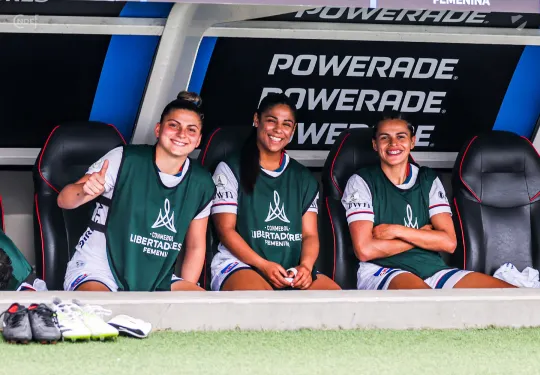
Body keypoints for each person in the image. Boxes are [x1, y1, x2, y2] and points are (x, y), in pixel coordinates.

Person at [57, 91, 215, 291]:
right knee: (102, 309)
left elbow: (195, 246)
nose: (182, 134)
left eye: (191, 130)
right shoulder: (124, 159)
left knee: (204, 306)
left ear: (198, 140)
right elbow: (64, 200)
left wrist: (181, 302)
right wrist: (85, 191)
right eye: (173, 125)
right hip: (99, 270)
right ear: (158, 129)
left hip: (156, 279)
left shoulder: (201, 183)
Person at [342, 111, 516, 290]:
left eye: (401, 137)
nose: (393, 143)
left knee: (510, 295)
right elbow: (365, 250)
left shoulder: (428, 179)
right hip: (383, 269)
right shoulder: (361, 182)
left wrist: (397, 230)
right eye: (385, 138)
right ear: (375, 144)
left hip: (433, 268)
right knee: (426, 301)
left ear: (412, 142)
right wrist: (421, 236)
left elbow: (448, 243)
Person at [210, 93, 341, 291]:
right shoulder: (230, 169)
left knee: (339, 300)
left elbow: (310, 235)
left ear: (293, 129)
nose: (278, 129)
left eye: (286, 124)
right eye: (271, 121)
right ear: (257, 120)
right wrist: (263, 265)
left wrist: (305, 267)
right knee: (263, 302)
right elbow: (225, 231)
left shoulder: (303, 177)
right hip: (241, 264)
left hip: (289, 268)